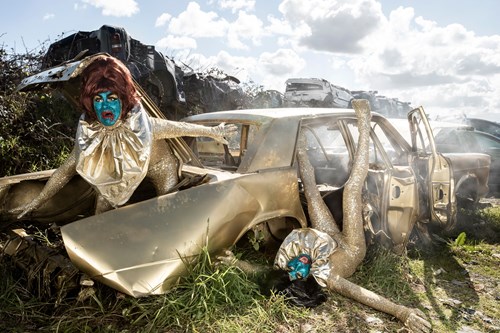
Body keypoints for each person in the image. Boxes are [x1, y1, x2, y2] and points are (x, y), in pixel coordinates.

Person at [218, 100, 432, 333]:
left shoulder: (284, 268)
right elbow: (363, 295)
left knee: (311, 192)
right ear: (308, 280)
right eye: (300, 273)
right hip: (349, 248)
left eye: (292, 270)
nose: (297, 265)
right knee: (351, 191)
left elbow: (257, 271)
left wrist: (235, 263)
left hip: (325, 240)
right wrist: (402, 312)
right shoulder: (329, 277)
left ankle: (300, 144)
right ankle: (364, 124)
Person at [16, 54, 236, 217]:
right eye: (98, 100)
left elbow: (181, 128)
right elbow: (63, 172)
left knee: (167, 212)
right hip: (116, 172)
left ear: (123, 99)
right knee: (100, 212)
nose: (105, 107)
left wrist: (213, 132)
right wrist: (36, 202)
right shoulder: (90, 135)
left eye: (112, 98)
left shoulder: (142, 125)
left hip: (158, 168)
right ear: (90, 103)